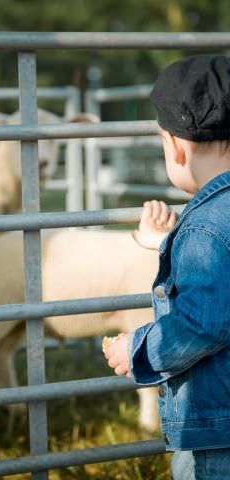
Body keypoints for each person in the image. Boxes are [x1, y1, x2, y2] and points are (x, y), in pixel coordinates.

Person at [104, 54, 230, 480]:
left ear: (176, 147)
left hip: (218, 426)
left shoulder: (206, 228)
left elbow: (202, 324)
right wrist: (170, 243)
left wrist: (136, 350)